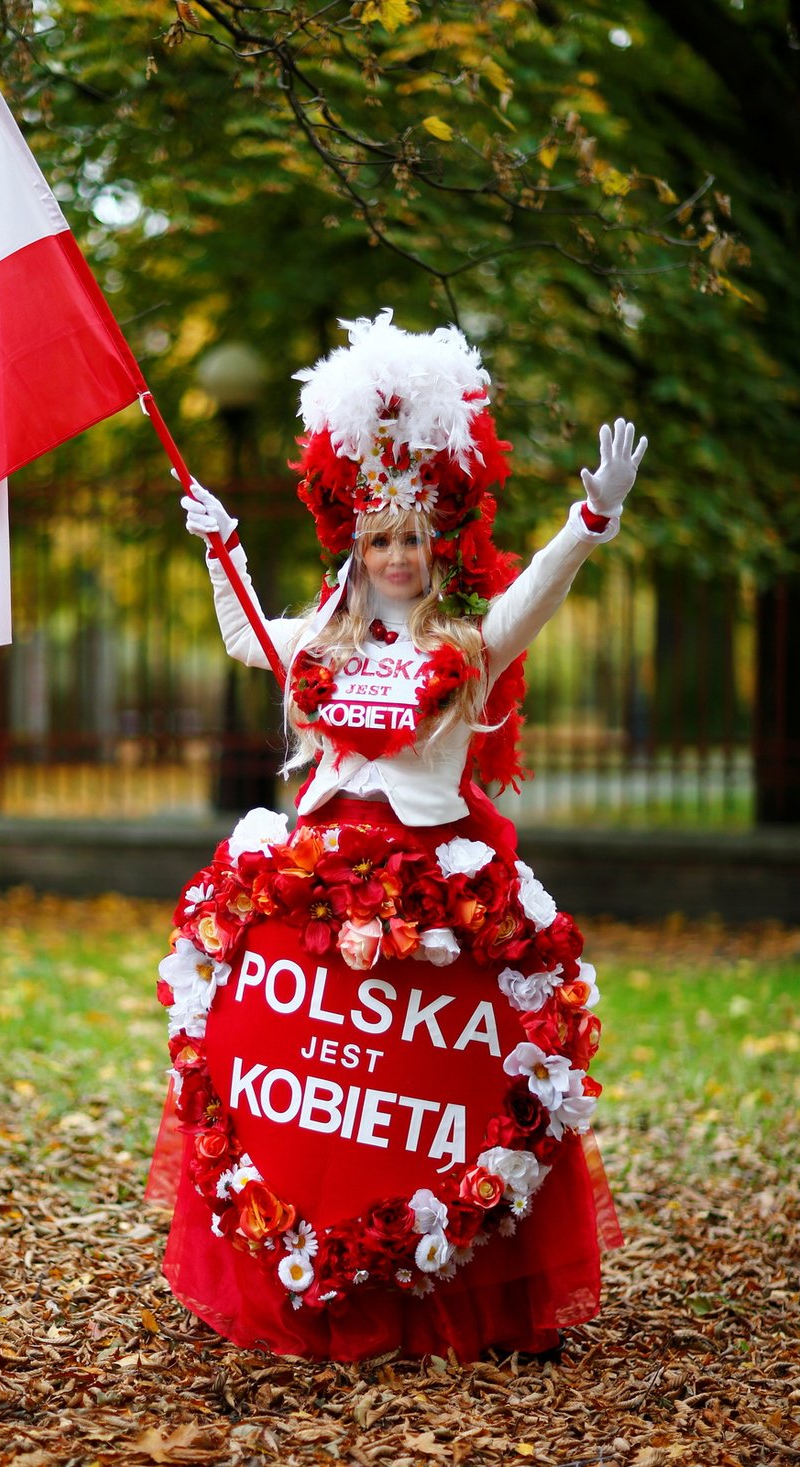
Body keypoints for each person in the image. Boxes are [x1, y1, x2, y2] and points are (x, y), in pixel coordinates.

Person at [149, 310, 646, 1362]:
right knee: (307, 1081)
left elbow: (537, 599)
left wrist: (589, 520)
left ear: (437, 544)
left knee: (441, 1095)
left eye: (415, 537)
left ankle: (434, 1292)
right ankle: (308, 1273)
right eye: (381, 537)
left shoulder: (468, 642)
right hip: (317, 887)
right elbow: (243, 629)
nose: (398, 554)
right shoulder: (318, 643)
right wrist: (218, 543)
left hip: (440, 892)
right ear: (359, 545)